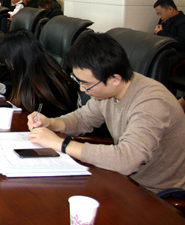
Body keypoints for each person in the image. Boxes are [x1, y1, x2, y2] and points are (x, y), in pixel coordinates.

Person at [27, 33, 185, 194]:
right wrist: (51, 123)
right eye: (79, 81)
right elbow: (82, 119)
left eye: (86, 84)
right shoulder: (110, 91)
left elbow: (127, 160)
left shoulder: (151, 102)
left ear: (115, 79)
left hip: (156, 193)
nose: (82, 89)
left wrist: (61, 144)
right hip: (123, 179)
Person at [0, 30, 79, 116]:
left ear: (15, 61)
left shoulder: (45, 85)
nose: (8, 65)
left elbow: (39, 115)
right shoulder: (39, 66)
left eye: (8, 61)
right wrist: (1, 88)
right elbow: (23, 89)